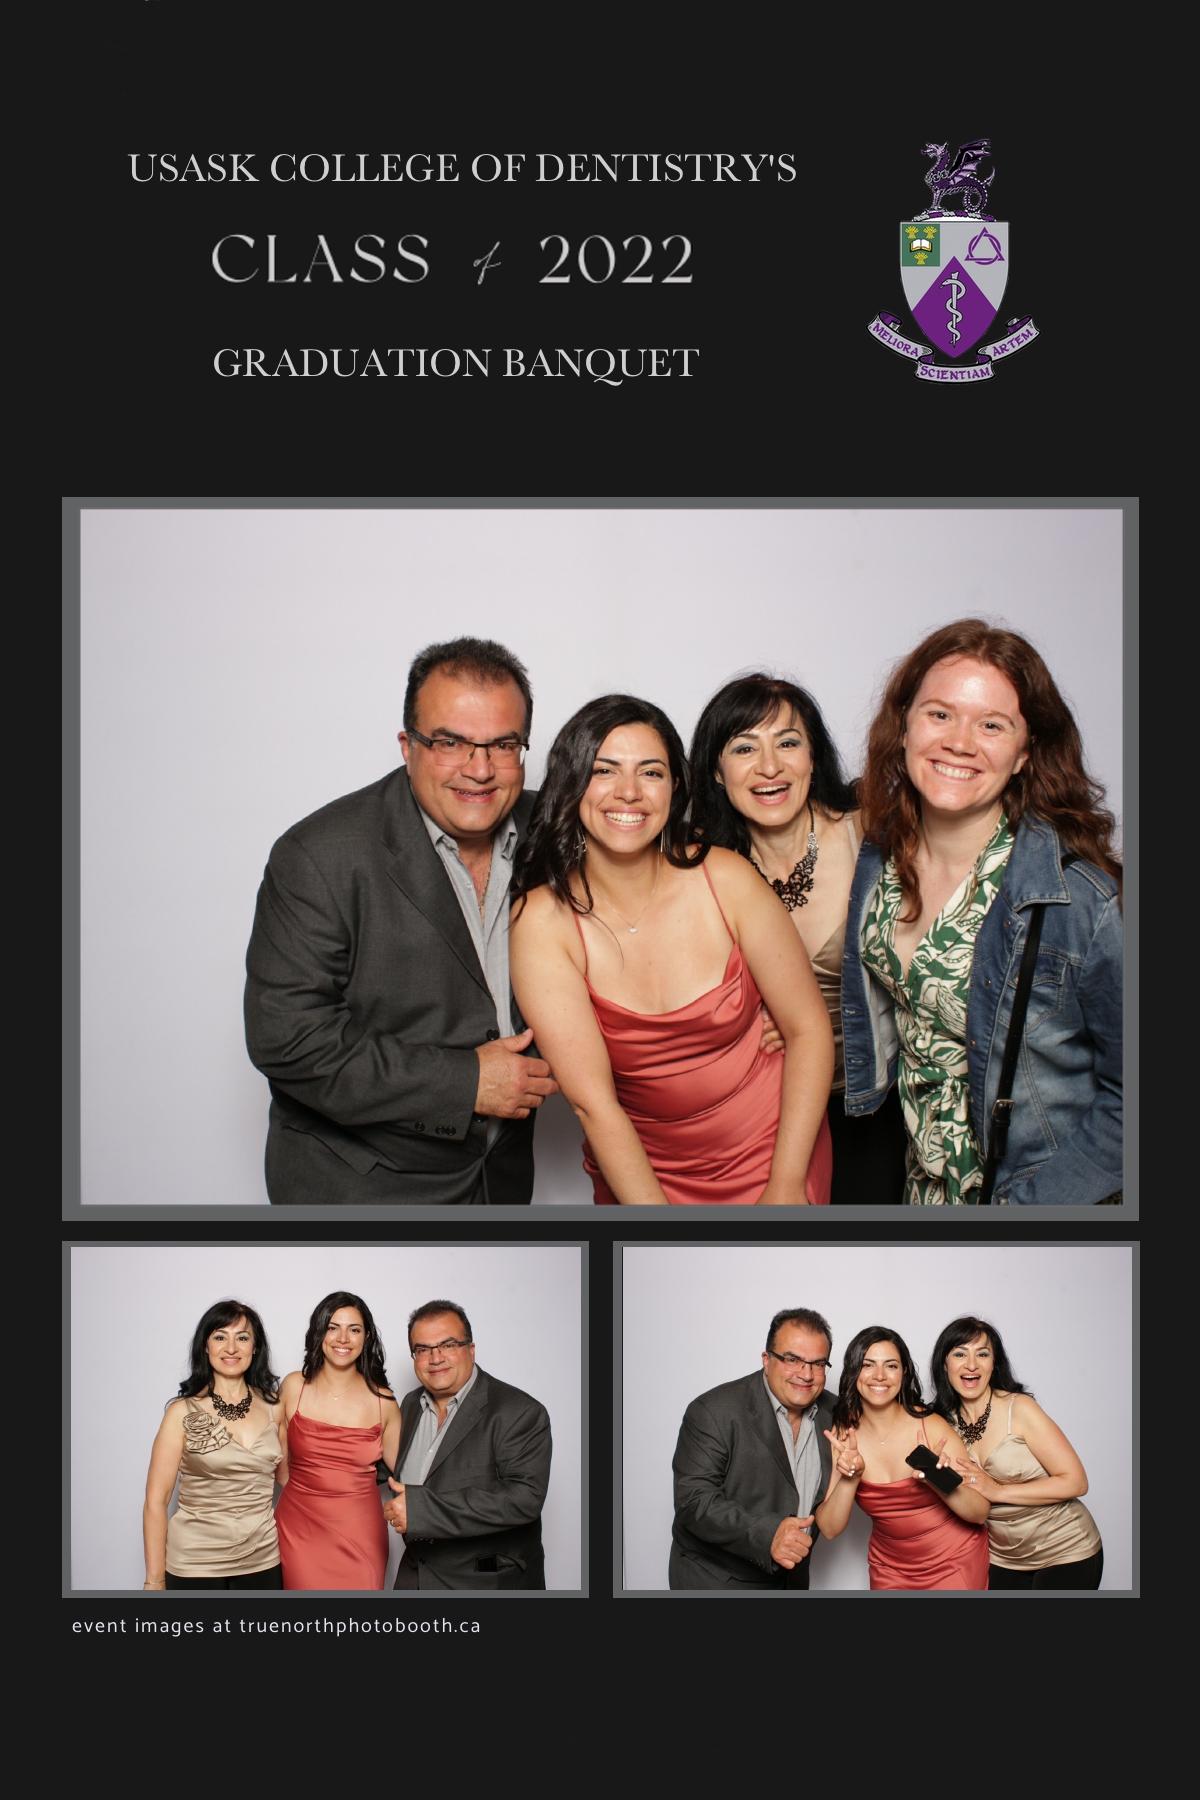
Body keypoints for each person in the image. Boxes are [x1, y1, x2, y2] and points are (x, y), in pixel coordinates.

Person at [244, 637, 558, 1204]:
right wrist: (466, 1083)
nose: (480, 770)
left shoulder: (557, 831)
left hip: (500, 1181)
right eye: (450, 742)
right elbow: (289, 1042)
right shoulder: (318, 855)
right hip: (359, 1188)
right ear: (407, 746)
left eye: (503, 744)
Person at [509, 695, 834, 1205]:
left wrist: (788, 1185)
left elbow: (809, 1029)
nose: (630, 792)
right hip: (641, 1171)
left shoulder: (727, 877)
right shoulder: (542, 921)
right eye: (604, 770)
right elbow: (595, 1106)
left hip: (775, 1150)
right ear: (572, 783)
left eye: (651, 772)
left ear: (675, 787)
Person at [841, 618, 1123, 1204]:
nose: (960, 742)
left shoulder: (1081, 902)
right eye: (940, 714)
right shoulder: (880, 854)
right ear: (904, 725)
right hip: (920, 1185)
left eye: (991, 725)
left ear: (1024, 753)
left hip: (1032, 1196)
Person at [690, 672, 907, 1203]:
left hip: (871, 1105)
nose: (770, 767)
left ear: (813, 757)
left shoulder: (874, 832)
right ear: (717, 771)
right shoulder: (699, 867)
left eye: (788, 743)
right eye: (744, 748)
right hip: (758, 1111)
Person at [381, 1301, 552, 1589]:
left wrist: (421, 1511)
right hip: (416, 1575)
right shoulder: (410, 1404)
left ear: (471, 1349)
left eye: (448, 1345)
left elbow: (524, 1498)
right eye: (423, 1349)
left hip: (485, 1581)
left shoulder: (519, 1411)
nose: (435, 1358)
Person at [670, 1308, 840, 1588]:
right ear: (766, 1360)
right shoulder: (713, 1411)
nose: (806, 1374)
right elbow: (693, 1501)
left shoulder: (837, 1412)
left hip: (792, 1580)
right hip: (717, 1578)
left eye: (818, 1363)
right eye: (792, 1359)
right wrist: (769, 1534)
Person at [932, 1316, 1104, 1589]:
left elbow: (1076, 1482)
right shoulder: (942, 1423)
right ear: (944, 1364)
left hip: (1067, 1549)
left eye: (983, 1354)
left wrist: (998, 1491)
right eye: (960, 1354)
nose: (971, 1364)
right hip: (1003, 1557)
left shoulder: (1020, 1408)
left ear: (994, 1364)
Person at [816, 1325, 989, 1590]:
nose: (880, 1376)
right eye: (868, 1365)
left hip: (954, 1562)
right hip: (890, 1569)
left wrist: (937, 1477)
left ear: (904, 1372)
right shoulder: (844, 1434)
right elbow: (829, 1528)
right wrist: (851, 1478)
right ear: (853, 1371)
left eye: (891, 1366)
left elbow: (979, 1513)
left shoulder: (931, 1426)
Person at [142, 1300, 284, 1591]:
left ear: (255, 1347)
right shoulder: (180, 1412)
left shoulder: (276, 1408)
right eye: (220, 1337)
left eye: (242, 1338)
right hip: (194, 1562)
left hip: (263, 1560)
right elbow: (156, 1501)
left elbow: (294, 1482)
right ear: (205, 1347)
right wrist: (154, 1581)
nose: (231, 1348)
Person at [274, 1292, 402, 1590]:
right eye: (333, 1327)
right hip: (299, 1529)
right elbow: (277, 1463)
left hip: (361, 1531)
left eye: (354, 1329)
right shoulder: (294, 1386)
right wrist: (312, 1496)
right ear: (319, 1331)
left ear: (366, 1337)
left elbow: (407, 1476)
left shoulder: (384, 1401)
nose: (343, 1339)